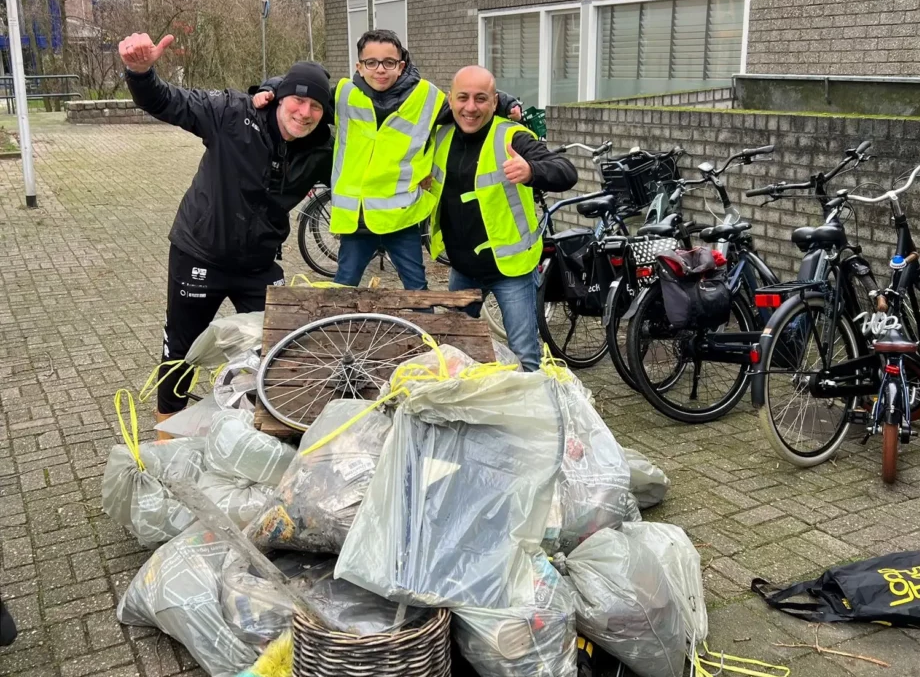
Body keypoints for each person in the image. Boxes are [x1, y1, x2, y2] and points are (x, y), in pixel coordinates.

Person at [118, 32, 335, 434]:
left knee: (281, 343)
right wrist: (140, 71)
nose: (304, 113)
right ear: (281, 97)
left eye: (315, 106)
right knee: (180, 350)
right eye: (297, 100)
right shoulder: (231, 113)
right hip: (200, 253)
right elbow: (165, 102)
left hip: (258, 263)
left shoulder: (324, 150)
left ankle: (277, 423)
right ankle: (167, 433)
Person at [254, 29, 521, 289]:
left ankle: (421, 334)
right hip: (356, 219)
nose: (380, 69)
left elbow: (469, 100)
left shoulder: (427, 98)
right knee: (344, 290)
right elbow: (304, 89)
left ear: (401, 65)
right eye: (372, 62)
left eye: (389, 62)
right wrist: (270, 87)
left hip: (400, 218)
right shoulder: (344, 94)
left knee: (417, 291)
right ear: (359, 66)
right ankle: (343, 335)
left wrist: (506, 103)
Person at [428, 66, 577, 372]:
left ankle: (531, 415)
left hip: (511, 270)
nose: (471, 107)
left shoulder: (512, 137)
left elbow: (566, 170)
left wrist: (532, 171)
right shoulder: (440, 136)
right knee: (456, 350)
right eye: (463, 98)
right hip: (462, 269)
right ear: (450, 100)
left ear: (494, 102)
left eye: (481, 98)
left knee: (524, 355)